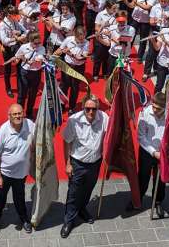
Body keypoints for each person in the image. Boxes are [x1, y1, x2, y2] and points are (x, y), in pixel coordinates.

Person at [60, 95, 108, 238]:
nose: (91, 112)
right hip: (77, 163)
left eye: (94, 109)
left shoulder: (104, 117)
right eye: (88, 109)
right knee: (74, 193)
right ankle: (68, 220)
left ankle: (82, 209)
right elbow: (66, 141)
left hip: (95, 163)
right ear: (83, 108)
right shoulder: (74, 120)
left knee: (88, 190)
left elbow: (112, 131)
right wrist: (67, 163)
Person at [0, 103, 34, 237]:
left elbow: (40, 135)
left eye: (20, 113)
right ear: (9, 116)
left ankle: (24, 219)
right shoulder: (2, 132)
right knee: (0, 200)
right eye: (14, 114)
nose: (18, 116)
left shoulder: (30, 125)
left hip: (21, 174)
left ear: (23, 113)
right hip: (5, 174)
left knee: (20, 198)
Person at [135, 91, 166, 217]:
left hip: (163, 152)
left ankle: (158, 201)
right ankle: (138, 199)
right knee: (143, 176)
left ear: (164, 108)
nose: (154, 110)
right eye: (153, 106)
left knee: (161, 180)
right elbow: (141, 136)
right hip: (147, 151)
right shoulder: (145, 113)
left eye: (158, 108)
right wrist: (153, 152)